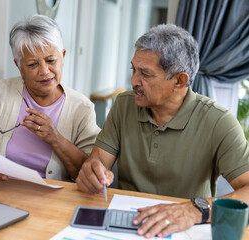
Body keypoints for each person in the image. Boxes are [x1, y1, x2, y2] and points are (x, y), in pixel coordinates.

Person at [76, 24, 249, 238]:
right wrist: (91, 173)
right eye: (134, 70)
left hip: (185, 230)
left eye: (145, 74)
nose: (133, 81)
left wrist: (195, 210)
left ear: (180, 80)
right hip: (126, 224)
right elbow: (97, 164)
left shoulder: (219, 121)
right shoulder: (123, 105)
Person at [0, 15, 100, 184]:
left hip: (51, 201)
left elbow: (91, 173)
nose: (44, 71)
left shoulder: (82, 108)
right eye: (32, 64)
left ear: (62, 57)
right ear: (19, 66)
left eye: (51, 61)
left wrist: (56, 139)